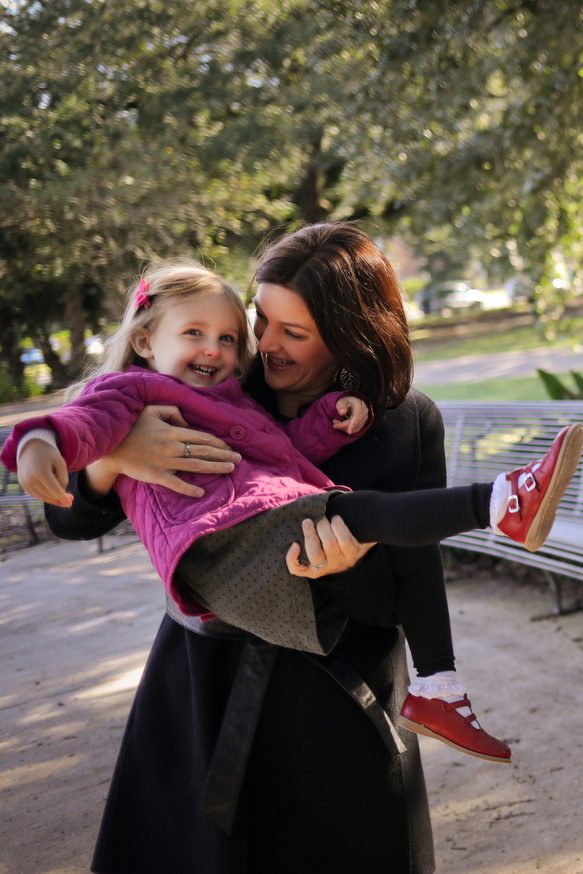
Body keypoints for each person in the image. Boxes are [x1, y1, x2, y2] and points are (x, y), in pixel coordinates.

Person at [39, 223, 496, 872]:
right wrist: (114, 460)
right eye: (262, 319)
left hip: (339, 702)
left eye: (296, 332)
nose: (265, 345)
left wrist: (342, 574)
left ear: (351, 335)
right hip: (205, 684)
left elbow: (410, 578)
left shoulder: (405, 420)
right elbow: (69, 522)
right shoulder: (210, 383)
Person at [4, 262, 583, 765]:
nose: (224, 349)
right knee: (360, 512)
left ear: (343, 334)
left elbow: (279, 452)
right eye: (200, 332)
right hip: (221, 548)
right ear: (146, 341)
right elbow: (76, 427)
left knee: (368, 519)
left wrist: (333, 412)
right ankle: (504, 502)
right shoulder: (132, 393)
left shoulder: (242, 396)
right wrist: (59, 449)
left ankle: (440, 684)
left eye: (233, 337)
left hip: (279, 565)